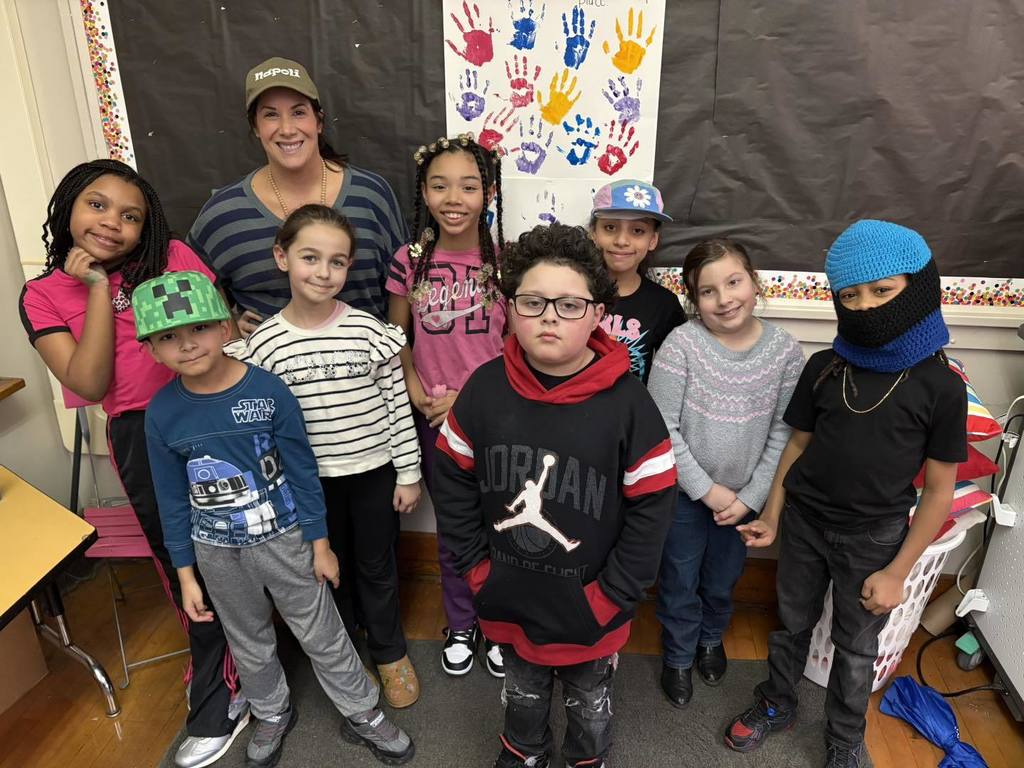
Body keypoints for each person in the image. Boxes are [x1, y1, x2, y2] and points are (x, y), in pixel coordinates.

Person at [136, 271, 414, 767]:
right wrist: (184, 574)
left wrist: (321, 544)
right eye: (168, 337)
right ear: (152, 350)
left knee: (321, 630)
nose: (187, 345)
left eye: (198, 328)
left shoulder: (269, 391)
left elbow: (304, 474)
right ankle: (270, 711)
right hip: (216, 553)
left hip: (285, 539)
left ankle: (362, 709)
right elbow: (171, 499)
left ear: (224, 328)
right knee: (249, 639)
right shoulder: (161, 414)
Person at [18, 159, 244, 768]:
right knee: (183, 562)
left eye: (130, 215)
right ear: (68, 205)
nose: (112, 222)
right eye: (97, 205)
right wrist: (95, 288)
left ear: (148, 229)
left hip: (211, 411)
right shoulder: (42, 294)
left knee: (246, 541)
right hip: (143, 431)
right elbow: (90, 382)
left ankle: (260, 655)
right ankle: (220, 685)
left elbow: (219, 332)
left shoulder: (170, 256)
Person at [433, 223, 678, 768]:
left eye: (570, 304)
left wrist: (613, 595)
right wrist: (476, 568)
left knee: (590, 704)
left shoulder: (630, 405)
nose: (549, 316)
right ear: (510, 309)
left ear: (597, 313)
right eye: (533, 301)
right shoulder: (483, 389)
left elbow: (653, 507)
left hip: (592, 605)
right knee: (521, 693)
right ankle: (522, 752)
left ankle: (587, 759)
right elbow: (449, 477)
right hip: (510, 595)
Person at [724, 220, 967, 768]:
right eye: (850, 296)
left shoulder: (940, 385)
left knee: (857, 647)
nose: (865, 308)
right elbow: (795, 448)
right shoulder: (824, 367)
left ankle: (843, 737)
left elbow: (937, 491)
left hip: (874, 538)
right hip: (806, 524)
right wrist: (773, 515)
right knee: (791, 623)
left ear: (918, 287)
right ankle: (778, 702)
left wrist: (898, 572)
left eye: (884, 291)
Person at [229, 204, 422, 708]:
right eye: (310, 257)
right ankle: (345, 654)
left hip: (374, 473)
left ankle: (389, 650)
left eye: (337, 262)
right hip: (307, 486)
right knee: (325, 570)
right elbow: (259, 424)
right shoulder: (266, 345)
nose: (324, 271)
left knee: (377, 565)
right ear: (282, 258)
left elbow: (397, 406)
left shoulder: (369, 332)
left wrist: (408, 472)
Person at [647, 238, 804, 708]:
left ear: (754, 283)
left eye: (733, 282)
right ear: (693, 300)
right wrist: (705, 490)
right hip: (685, 495)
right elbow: (662, 428)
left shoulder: (784, 352)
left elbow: (785, 435)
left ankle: (710, 639)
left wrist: (748, 497)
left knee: (722, 578)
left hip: (743, 500)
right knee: (678, 577)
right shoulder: (682, 345)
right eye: (707, 291)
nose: (724, 298)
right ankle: (677, 655)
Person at [385, 133, 507, 678]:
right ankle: (461, 622)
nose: (453, 197)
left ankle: (501, 621)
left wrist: (474, 398)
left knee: (506, 525)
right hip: (433, 420)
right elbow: (397, 335)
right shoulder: (409, 261)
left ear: (489, 192)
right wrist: (412, 378)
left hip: (501, 419)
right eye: (439, 185)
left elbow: (522, 347)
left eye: (468, 185)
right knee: (456, 529)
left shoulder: (508, 262)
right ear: (424, 192)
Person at [188, 57, 407, 334]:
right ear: (255, 127)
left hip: (369, 372)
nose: (287, 129)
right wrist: (228, 332)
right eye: (270, 114)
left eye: (299, 112)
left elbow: (404, 284)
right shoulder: (223, 214)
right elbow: (194, 283)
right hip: (272, 375)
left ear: (319, 121)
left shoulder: (371, 195)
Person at [589, 179, 686, 383]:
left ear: (653, 240)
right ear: (594, 234)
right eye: (610, 227)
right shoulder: (573, 293)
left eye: (637, 231)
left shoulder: (664, 305)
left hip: (631, 411)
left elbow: (674, 376)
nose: (622, 241)